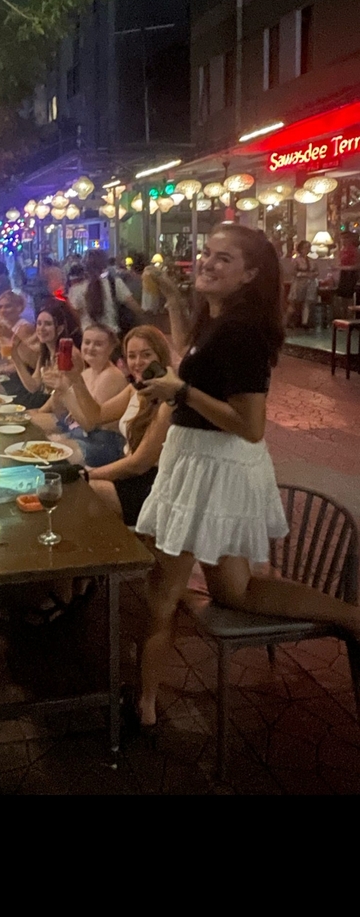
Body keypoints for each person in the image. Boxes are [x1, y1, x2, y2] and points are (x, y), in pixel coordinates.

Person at [123, 224, 360, 733]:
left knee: (161, 590)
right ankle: (351, 617)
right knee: (235, 590)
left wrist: (180, 394)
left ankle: (142, 707)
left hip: (213, 464)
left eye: (222, 258)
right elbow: (191, 357)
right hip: (205, 461)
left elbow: (250, 426)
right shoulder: (222, 318)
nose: (207, 262)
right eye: (207, 252)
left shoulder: (243, 330)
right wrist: (171, 300)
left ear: (250, 274)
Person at [45, 326, 172, 523]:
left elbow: (139, 463)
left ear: (161, 356)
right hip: (129, 473)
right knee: (67, 484)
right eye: (132, 356)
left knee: (82, 491)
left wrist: (89, 474)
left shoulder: (167, 401)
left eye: (146, 355)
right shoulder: (134, 390)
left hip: (152, 481)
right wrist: (75, 378)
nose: (138, 362)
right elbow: (95, 417)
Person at [29, 322, 128, 466]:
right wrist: (56, 391)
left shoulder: (112, 376)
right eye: (87, 342)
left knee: (44, 454)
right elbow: (61, 412)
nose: (90, 348)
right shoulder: (86, 373)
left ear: (111, 348)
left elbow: (89, 425)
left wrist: (65, 392)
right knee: (33, 439)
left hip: (104, 443)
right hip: (79, 433)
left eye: (98, 344)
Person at [9, 300, 79, 405]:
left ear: (59, 329)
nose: (41, 328)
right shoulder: (45, 352)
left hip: (63, 408)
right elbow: (33, 386)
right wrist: (15, 356)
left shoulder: (68, 353)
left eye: (48, 324)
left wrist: (39, 412)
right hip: (48, 403)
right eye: (39, 323)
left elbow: (61, 394)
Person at [68, 249, 141, 334]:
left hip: (88, 336)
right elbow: (134, 307)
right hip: (111, 335)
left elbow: (76, 316)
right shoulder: (114, 283)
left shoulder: (77, 288)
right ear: (104, 265)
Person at [286, 240, 318, 329]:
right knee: (294, 303)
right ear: (300, 249)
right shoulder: (296, 260)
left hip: (309, 283)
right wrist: (304, 274)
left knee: (307, 302)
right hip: (299, 283)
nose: (307, 249)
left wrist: (313, 274)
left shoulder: (311, 260)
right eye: (305, 247)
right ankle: (287, 321)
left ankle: (305, 322)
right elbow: (292, 272)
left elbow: (316, 271)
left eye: (308, 247)